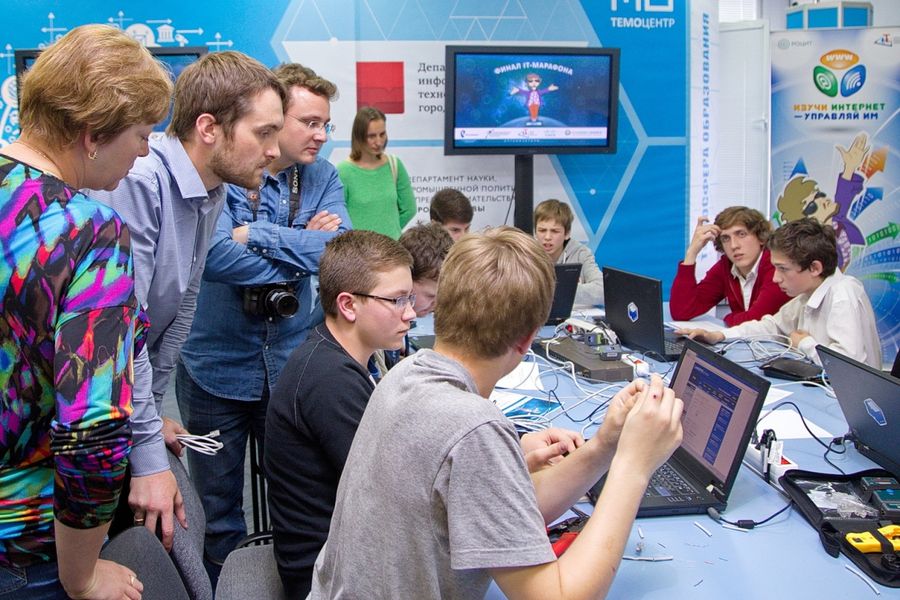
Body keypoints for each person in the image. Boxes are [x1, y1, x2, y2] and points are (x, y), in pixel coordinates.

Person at [309, 227, 683, 599]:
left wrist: (604, 446)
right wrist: (633, 465)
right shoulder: (473, 428)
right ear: (526, 340)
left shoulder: (407, 373)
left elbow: (501, 516)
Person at [88, 51, 286, 552]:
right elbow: (122, 334)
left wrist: (150, 418)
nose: (274, 150)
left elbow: (176, 319)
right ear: (208, 128)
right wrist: (147, 456)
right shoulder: (140, 182)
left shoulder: (211, 191)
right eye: (263, 133)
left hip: (126, 403)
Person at [0, 24, 172, 598]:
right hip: (22, 550)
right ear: (93, 134)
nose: (145, 151)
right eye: (142, 134)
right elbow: (92, 431)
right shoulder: (88, 232)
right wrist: (82, 576)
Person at [176, 62, 348, 573]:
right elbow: (214, 258)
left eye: (325, 124)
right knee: (217, 513)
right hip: (214, 370)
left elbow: (340, 253)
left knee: (301, 504)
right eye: (309, 122)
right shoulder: (225, 170)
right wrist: (304, 245)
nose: (320, 135)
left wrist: (258, 235)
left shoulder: (321, 176)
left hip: (291, 369)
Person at [265, 230, 416, 597]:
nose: (410, 313)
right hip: (331, 579)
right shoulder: (330, 380)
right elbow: (396, 496)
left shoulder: (332, 355)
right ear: (348, 305)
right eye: (397, 300)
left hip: (344, 557)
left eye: (410, 298)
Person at [679, 218, 882, 368]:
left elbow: (849, 365)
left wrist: (805, 344)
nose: (776, 278)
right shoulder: (808, 292)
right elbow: (771, 326)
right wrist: (720, 335)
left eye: (783, 269)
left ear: (814, 268)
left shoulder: (843, 294)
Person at [670, 207, 790, 326]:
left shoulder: (777, 267)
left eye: (741, 234)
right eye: (726, 238)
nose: (734, 245)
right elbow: (681, 312)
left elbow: (756, 320)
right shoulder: (726, 266)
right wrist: (691, 253)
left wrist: (728, 318)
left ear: (761, 238)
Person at [337, 106, 415, 239]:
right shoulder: (344, 171)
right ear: (359, 137)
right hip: (358, 250)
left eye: (382, 134)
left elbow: (409, 209)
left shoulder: (394, 165)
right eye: (371, 136)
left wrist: (389, 235)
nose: (379, 142)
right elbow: (338, 218)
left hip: (391, 248)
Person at [533, 199, 604, 306]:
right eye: (542, 230)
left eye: (555, 231)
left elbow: (602, 290)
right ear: (535, 232)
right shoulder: (525, 254)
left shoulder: (581, 253)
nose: (547, 237)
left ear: (567, 234)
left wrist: (558, 292)